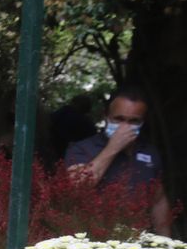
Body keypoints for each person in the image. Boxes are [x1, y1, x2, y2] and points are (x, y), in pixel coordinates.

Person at [66, 83, 176, 237]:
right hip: (91, 240)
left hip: (136, 240)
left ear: (142, 122)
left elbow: (158, 200)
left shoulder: (149, 152)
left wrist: (166, 241)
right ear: (106, 116)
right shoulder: (81, 149)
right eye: (119, 119)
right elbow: (76, 188)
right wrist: (113, 148)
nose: (124, 127)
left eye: (133, 121)